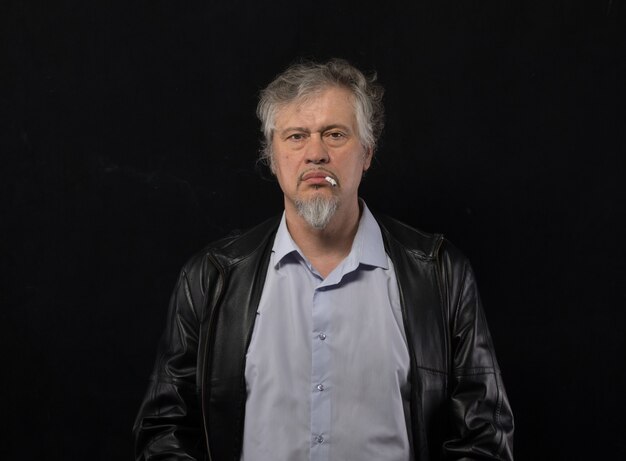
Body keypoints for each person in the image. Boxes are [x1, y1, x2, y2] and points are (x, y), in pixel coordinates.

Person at [133, 58, 514, 461]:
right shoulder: (210, 279)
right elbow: (164, 432)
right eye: (296, 136)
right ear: (272, 156)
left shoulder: (441, 273)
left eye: (335, 134)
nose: (315, 154)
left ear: (366, 152)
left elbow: (484, 435)